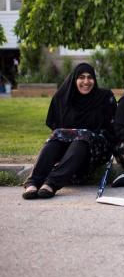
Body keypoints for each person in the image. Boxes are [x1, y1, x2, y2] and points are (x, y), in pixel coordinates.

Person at [22, 63, 117, 199]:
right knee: (57, 136)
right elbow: (55, 127)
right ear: (74, 79)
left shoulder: (104, 97)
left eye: (90, 77)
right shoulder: (63, 98)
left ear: (94, 80)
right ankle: (33, 182)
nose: (86, 81)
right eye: (81, 77)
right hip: (69, 151)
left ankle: (51, 183)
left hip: (96, 150)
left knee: (82, 137)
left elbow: (113, 128)